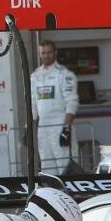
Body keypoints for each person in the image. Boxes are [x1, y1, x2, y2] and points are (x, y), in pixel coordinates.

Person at [31, 39, 79, 175]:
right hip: (43, 127)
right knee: (47, 169)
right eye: (43, 53)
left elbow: (72, 102)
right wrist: (28, 127)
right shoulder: (35, 76)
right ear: (39, 54)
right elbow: (33, 103)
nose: (46, 55)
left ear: (55, 53)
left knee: (65, 167)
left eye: (49, 52)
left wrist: (66, 129)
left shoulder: (65, 74)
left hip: (60, 125)